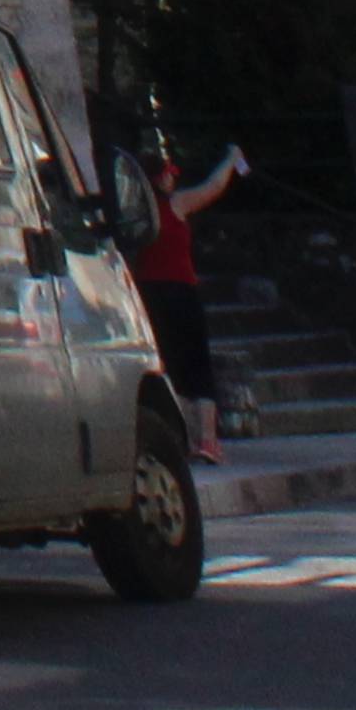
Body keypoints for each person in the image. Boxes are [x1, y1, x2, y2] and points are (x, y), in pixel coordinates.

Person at [123, 118, 248, 459]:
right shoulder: (177, 204)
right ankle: (207, 439)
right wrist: (231, 159)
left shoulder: (134, 214)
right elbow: (214, 186)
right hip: (181, 291)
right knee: (197, 367)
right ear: (161, 177)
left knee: (169, 365)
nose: (174, 175)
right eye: (169, 171)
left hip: (149, 293)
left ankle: (180, 437)